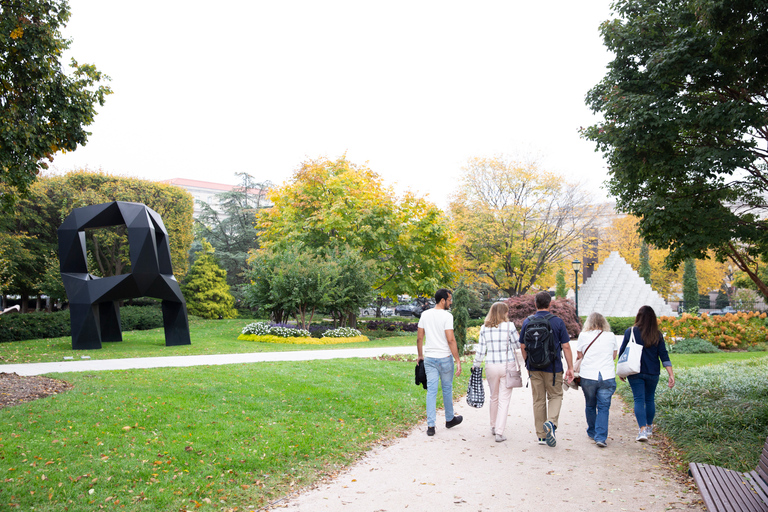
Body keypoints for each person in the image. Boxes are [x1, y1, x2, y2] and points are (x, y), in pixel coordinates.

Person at [519, 291, 574, 447]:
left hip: (534, 367)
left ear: (535, 304)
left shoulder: (527, 321)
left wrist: (528, 363)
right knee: (556, 395)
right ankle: (551, 422)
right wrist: (570, 367)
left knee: (538, 400)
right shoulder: (557, 322)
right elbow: (566, 346)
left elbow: (522, 346)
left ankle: (541, 436)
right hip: (553, 367)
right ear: (550, 304)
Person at [619, 305, 675, 442]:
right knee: (649, 399)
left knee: (639, 399)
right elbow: (664, 355)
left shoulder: (630, 331)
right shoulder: (657, 334)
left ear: (639, 316)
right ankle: (649, 427)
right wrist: (671, 374)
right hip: (653, 372)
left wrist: (621, 371)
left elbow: (622, 351)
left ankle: (642, 430)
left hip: (635, 371)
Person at [417, 288, 462, 436]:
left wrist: (420, 356)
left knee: (431, 391)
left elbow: (419, 338)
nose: (451, 302)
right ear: (442, 300)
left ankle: (431, 426)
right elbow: (450, 339)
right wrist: (457, 360)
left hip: (429, 358)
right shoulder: (447, 316)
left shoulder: (425, 314)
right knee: (447, 389)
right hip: (444, 358)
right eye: (449, 300)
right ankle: (449, 419)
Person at [473, 302, 520, 443]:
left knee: (494, 396)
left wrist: (476, 365)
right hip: (507, 364)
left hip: (491, 364)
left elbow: (481, 350)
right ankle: (500, 432)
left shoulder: (484, 328)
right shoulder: (509, 326)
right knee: (504, 399)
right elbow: (517, 345)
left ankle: (493, 426)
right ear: (503, 312)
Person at [576, 312, 619, 448]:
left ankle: (592, 431)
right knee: (604, 407)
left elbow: (579, 355)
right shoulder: (611, 336)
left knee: (590, 405)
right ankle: (600, 437)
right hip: (606, 375)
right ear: (604, 323)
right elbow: (613, 355)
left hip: (588, 375)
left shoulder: (583, 336)